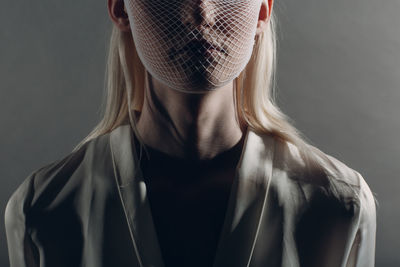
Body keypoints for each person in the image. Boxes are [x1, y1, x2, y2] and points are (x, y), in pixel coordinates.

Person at [5, 0, 377, 266]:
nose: (200, 12)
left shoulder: (338, 206)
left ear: (262, 10)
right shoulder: (44, 210)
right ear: (121, 8)